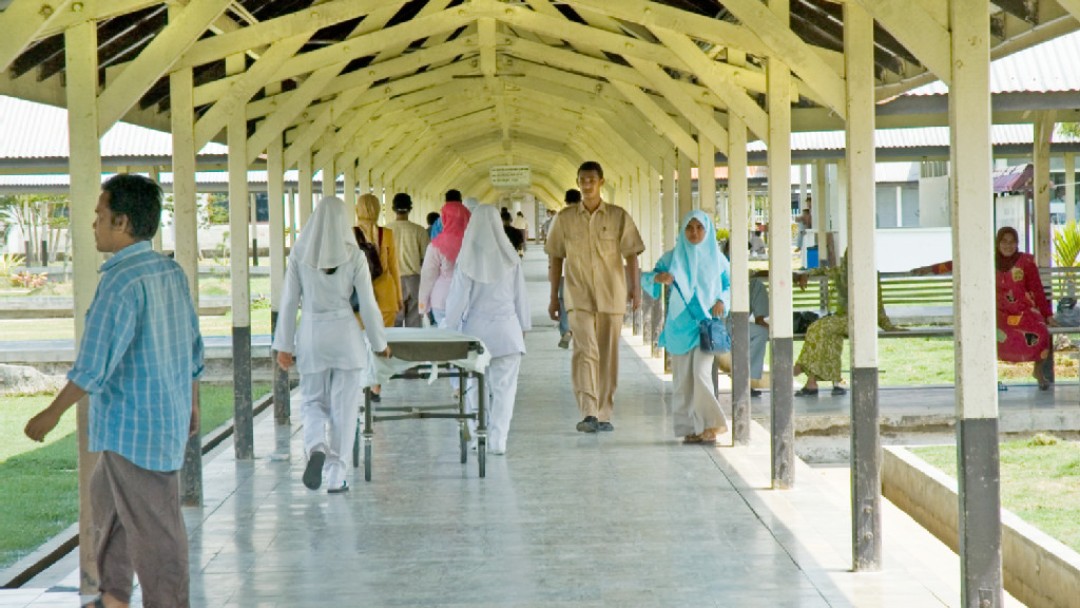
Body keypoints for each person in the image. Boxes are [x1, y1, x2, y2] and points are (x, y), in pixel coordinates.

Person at [24, 174, 204, 608]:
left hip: (133, 428)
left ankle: (166, 602)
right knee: (112, 512)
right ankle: (113, 597)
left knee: (157, 531)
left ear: (121, 222)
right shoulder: (170, 273)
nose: (94, 225)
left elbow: (93, 365)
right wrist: (193, 404)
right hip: (158, 420)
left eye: (100, 216)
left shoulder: (121, 282)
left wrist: (51, 413)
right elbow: (194, 348)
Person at [274, 196, 390, 494]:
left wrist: (284, 345)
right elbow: (367, 304)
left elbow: (288, 302)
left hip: (312, 334)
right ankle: (337, 476)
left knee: (313, 401)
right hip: (345, 337)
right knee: (345, 409)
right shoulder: (354, 255)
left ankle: (315, 448)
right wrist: (379, 343)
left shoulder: (300, 252)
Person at [545, 161, 645, 433]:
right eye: (582, 180)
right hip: (578, 296)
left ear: (601, 182)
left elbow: (631, 255)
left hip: (611, 294)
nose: (586, 184)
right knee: (584, 351)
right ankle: (588, 411)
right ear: (578, 183)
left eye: (591, 180)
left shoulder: (617, 216)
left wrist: (635, 289)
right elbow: (555, 259)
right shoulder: (564, 219)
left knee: (607, 354)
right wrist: (554, 297)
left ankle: (604, 413)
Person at [913, 226, 1056, 390]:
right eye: (1004, 241)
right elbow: (960, 262)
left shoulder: (1026, 262)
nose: (1008, 245)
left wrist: (1047, 315)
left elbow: (1037, 289)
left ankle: (1038, 372)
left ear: (1017, 243)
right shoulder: (988, 258)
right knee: (986, 333)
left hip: (1023, 312)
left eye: (1012, 242)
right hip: (996, 313)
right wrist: (930, 269)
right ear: (997, 243)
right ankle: (985, 379)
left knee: (1041, 332)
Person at [443, 205, 531, 455]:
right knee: (504, 390)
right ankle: (498, 440)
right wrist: (523, 327)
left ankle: (476, 435)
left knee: (473, 386)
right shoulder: (511, 259)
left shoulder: (467, 260)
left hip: (476, 333)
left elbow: (456, 302)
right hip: (508, 332)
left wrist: (449, 329)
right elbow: (520, 298)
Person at [642, 210, 730, 444]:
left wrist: (722, 301)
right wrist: (658, 279)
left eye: (699, 228)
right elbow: (647, 277)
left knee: (701, 375)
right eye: (689, 228)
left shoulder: (717, 259)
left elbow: (729, 285)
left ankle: (711, 425)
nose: (694, 233)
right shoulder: (672, 258)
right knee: (682, 381)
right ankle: (690, 428)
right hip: (679, 327)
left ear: (707, 230)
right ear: (683, 230)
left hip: (705, 326)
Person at [794, 250, 901, 396]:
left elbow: (878, 304)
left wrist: (888, 326)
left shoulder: (870, 275)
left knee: (817, 327)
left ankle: (801, 367)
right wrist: (805, 274)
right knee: (830, 337)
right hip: (841, 319)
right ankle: (820, 382)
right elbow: (822, 269)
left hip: (861, 320)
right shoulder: (841, 271)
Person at [355, 193, 400, 402]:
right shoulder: (387, 234)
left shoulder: (349, 234)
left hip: (361, 297)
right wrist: (398, 297)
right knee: (381, 342)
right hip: (386, 295)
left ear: (358, 210)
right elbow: (393, 268)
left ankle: (362, 380)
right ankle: (376, 387)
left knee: (361, 341)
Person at [420, 192, 471, 327]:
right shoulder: (475, 243)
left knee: (446, 339)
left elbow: (428, 277)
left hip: (442, 299)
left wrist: (423, 305)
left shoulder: (436, 245)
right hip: (469, 300)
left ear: (444, 219)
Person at [387, 192, 429, 327]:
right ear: (410, 208)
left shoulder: (385, 230)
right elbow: (425, 259)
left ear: (393, 208)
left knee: (394, 323)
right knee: (415, 323)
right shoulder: (420, 231)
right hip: (414, 280)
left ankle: (395, 348)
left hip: (392, 280)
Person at [555, 188, 582, 349]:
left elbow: (554, 249)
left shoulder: (560, 218)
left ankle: (566, 330)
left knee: (564, 301)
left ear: (565, 201)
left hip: (566, 268)